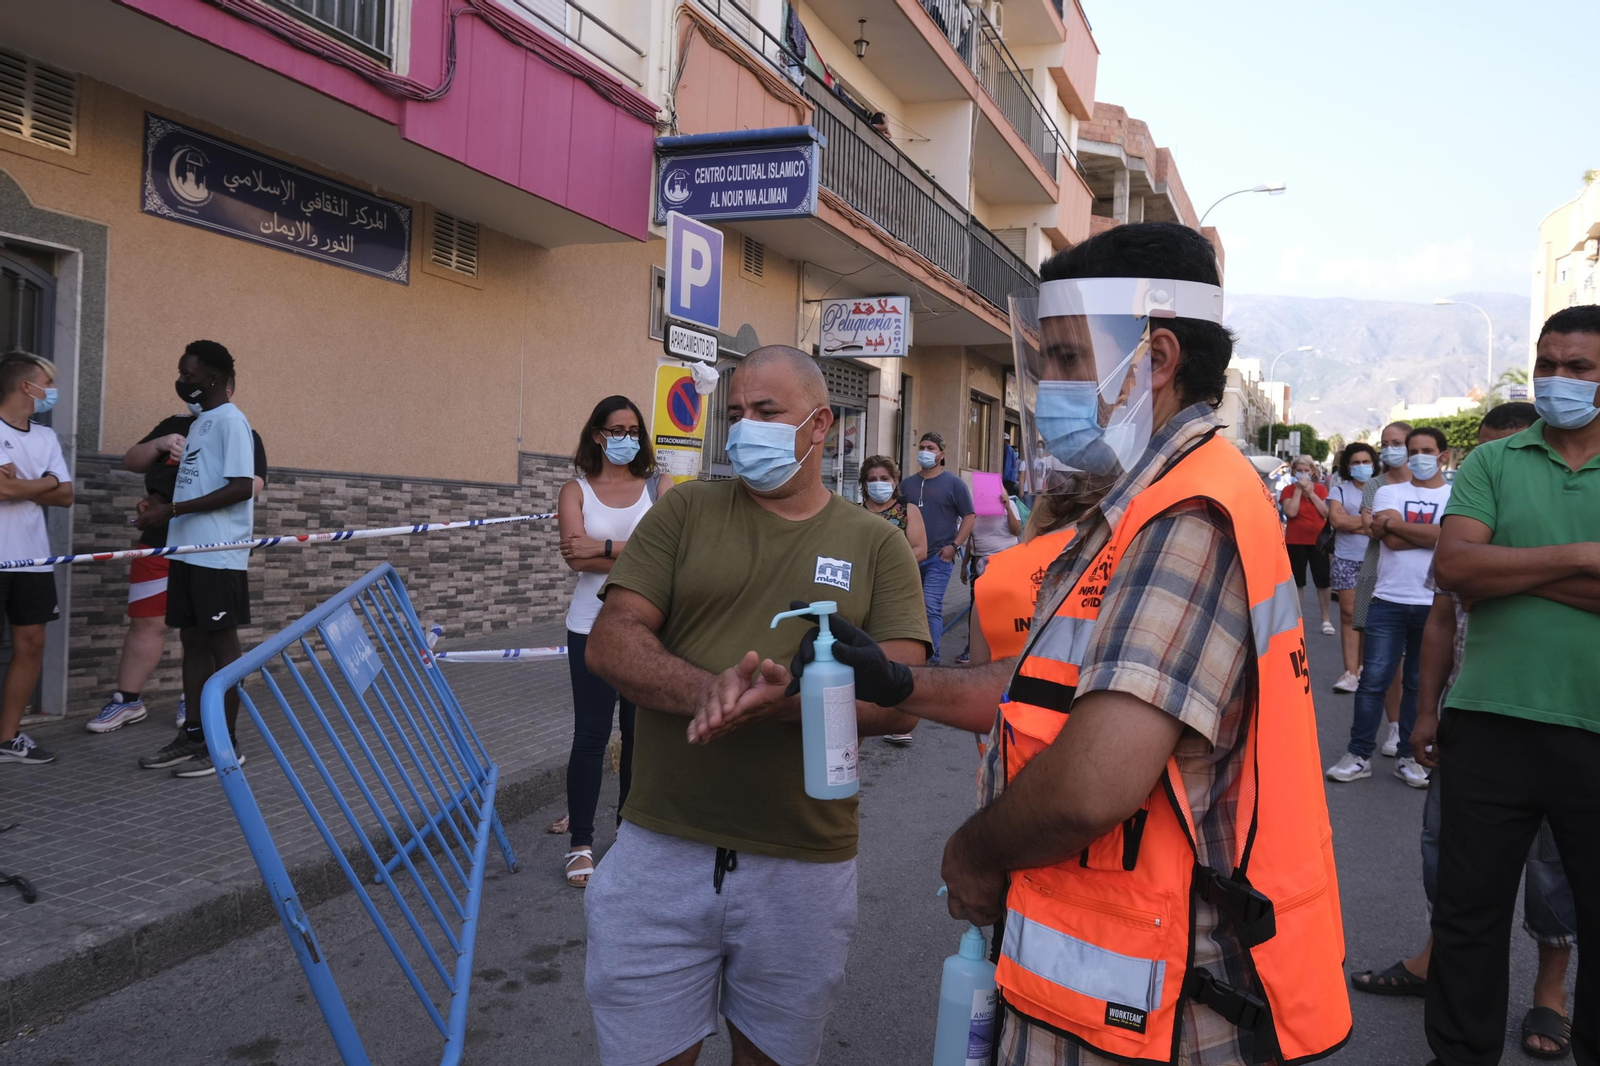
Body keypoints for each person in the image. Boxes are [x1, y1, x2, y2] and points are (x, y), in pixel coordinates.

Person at [700, 224, 1352, 1065]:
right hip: (1113, 984)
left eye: (1071, 359)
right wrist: (897, 680)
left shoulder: (1187, 519)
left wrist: (973, 853)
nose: (1050, 388)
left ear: (1156, 360)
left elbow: (1095, 779)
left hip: (1160, 1001)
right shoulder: (1142, 504)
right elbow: (1050, 682)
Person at [581, 345, 929, 1066]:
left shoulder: (877, 543)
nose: (745, 429)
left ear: (819, 424)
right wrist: (705, 690)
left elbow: (903, 698)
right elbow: (611, 640)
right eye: (736, 413)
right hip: (659, 850)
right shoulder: (685, 511)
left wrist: (788, 706)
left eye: (766, 412)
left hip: (802, 864)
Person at [1349, 403, 1577, 1061]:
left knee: (1552, 868)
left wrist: (1506, 574)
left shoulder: (1560, 503)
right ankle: (1435, 962)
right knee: (1447, 854)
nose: (1490, 464)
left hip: (1560, 713)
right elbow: (1447, 604)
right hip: (1470, 711)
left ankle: (1551, 992)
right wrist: (1426, 712)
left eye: (1504, 450)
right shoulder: (1469, 514)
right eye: (1481, 453)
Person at [1417, 306, 1600, 1066]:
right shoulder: (1493, 461)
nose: (1557, 379)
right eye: (1547, 363)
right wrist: (1584, 557)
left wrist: (1509, 572)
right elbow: (1454, 569)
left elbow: (1479, 571)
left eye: (1578, 367)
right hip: (1489, 721)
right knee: (1468, 916)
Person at [86, 377, 267, 734]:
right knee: (147, 621)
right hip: (158, 542)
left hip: (206, 549)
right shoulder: (175, 425)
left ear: (226, 388)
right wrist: (160, 444)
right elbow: (131, 460)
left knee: (202, 629)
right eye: (185, 377)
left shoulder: (238, 428)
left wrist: (178, 501)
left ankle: (195, 701)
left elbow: (251, 485)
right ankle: (127, 699)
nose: (191, 388)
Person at [553, 395, 672, 888]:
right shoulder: (575, 491)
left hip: (649, 628)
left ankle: (630, 831)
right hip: (589, 626)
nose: (627, 438)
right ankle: (580, 842)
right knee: (590, 736)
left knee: (639, 735)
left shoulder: (660, 487)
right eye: (617, 430)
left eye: (634, 430)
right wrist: (637, 553)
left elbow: (670, 553)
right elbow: (574, 559)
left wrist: (601, 547)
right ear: (598, 436)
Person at [134, 341, 257, 778]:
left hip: (217, 554)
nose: (182, 381)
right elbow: (196, 482)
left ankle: (226, 744)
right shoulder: (202, 422)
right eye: (181, 374)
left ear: (213, 378)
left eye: (188, 375)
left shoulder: (231, 421)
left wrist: (174, 510)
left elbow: (242, 487)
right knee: (192, 644)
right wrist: (159, 505)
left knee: (222, 646)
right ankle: (193, 735)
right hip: (186, 550)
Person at [1326, 426, 1451, 789]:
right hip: (1388, 600)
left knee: (1419, 685)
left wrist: (1399, 526)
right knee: (1372, 681)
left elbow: (1449, 537)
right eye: (1413, 451)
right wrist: (1436, 535)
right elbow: (1391, 542)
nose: (1418, 458)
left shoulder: (1456, 495)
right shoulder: (1388, 491)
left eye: (1427, 451)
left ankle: (1408, 758)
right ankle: (1358, 755)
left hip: (1435, 604)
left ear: (1443, 456)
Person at [0, 353, 73, 765]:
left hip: (32, 558)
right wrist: (46, 481)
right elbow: (2, 490)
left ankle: (7, 738)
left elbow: (66, 496)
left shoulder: (45, 437)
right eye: (47, 383)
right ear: (26, 387)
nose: (52, 391)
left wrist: (26, 484)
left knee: (32, 644)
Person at [900, 430, 974, 664]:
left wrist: (954, 546)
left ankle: (932, 658)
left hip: (939, 558)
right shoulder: (907, 485)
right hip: (910, 556)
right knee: (910, 608)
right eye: (922, 447)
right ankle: (911, 653)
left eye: (930, 448)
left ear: (941, 454)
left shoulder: (954, 484)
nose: (924, 452)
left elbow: (969, 516)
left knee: (930, 605)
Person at [1326, 442, 1378, 692]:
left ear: (1374, 463)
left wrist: (1353, 522)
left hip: (1376, 559)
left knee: (1369, 617)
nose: (1361, 466)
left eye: (1365, 462)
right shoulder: (1339, 491)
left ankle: (1365, 668)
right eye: (1356, 462)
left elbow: (1388, 522)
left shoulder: (1383, 490)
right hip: (1346, 559)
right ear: (1348, 465)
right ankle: (1350, 673)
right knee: (1348, 615)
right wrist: (1369, 522)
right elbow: (1337, 521)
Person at [953, 485, 1023, 666]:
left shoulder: (1009, 506)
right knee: (976, 605)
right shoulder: (976, 510)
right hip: (980, 563)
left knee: (1004, 605)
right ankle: (973, 648)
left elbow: (1017, 531)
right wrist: (964, 565)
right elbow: (972, 540)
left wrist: (1007, 508)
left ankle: (1004, 647)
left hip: (1005, 561)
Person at [1279, 454, 1334, 635]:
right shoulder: (1288, 490)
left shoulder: (1320, 489)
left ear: (1312, 472)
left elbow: (1326, 513)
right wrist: (1298, 491)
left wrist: (1311, 493)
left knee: (1323, 581)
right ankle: (1297, 619)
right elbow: (1291, 512)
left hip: (1318, 541)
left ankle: (1325, 619)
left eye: (1306, 470)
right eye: (1299, 470)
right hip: (1295, 540)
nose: (1303, 474)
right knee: (1297, 581)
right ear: (1293, 472)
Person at [858, 455, 928, 563]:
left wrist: (888, 566)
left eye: (884, 479)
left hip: (896, 571)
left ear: (894, 481)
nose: (878, 483)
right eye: (872, 480)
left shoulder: (909, 511)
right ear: (865, 484)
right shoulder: (855, 512)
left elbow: (920, 550)